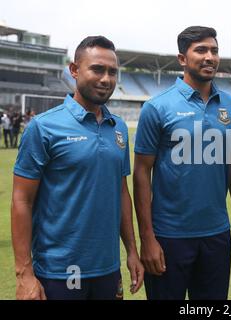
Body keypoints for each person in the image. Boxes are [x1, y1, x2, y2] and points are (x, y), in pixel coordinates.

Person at [11, 36, 144, 300]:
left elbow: (121, 192)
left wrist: (131, 251)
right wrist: (24, 274)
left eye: (112, 72)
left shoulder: (117, 128)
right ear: (74, 70)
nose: (106, 79)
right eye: (97, 69)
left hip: (108, 269)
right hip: (60, 270)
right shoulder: (44, 127)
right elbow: (21, 200)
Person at [133, 26, 231, 300]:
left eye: (215, 51)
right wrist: (147, 238)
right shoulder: (157, 107)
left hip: (217, 234)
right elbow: (141, 175)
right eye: (201, 50)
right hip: (169, 237)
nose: (210, 57)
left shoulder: (230, 106)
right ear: (182, 58)